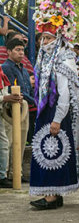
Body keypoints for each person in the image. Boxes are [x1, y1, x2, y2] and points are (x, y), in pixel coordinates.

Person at [29, 0, 79, 209]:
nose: (44, 41)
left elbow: (65, 93)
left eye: (49, 37)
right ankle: (54, 194)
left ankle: (52, 196)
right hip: (45, 111)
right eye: (42, 37)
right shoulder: (45, 58)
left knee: (52, 151)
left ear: (58, 37)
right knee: (46, 151)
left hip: (56, 112)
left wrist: (58, 119)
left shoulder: (63, 57)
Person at [2, 39, 35, 181]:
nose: (21, 53)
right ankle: (9, 173)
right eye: (17, 50)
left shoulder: (23, 68)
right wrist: (35, 101)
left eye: (22, 50)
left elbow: (28, 88)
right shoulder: (6, 67)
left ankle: (18, 171)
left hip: (25, 105)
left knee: (21, 139)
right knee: (10, 140)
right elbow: (13, 89)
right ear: (9, 52)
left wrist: (33, 100)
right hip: (12, 107)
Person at [0, 65, 22, 188]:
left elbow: (4, 92)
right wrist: (5, 98)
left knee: (3, 144)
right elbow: (4, 96)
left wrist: (14, 98)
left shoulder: (1, 73)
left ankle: (2, 176)